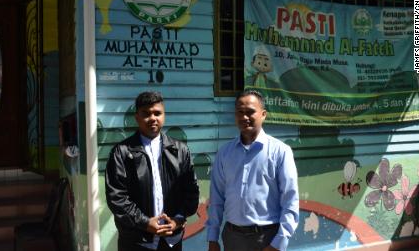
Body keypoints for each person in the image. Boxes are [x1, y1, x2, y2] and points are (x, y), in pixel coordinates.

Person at [105, 91, 200, 251]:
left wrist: (177, 220)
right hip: (136, 241)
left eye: (157, 113)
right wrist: (145, 223)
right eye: (146, 114)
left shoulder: (180, 150)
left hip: (171, 240)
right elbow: (117, 197)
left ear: (164, 115)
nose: (152, 118)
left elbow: (191, 192)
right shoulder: (121, 152)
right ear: (137, 117)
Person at [206, 90, 299, 251]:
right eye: (240, 112)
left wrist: (279, 243)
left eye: (250, 112)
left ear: (263, 114)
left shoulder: (280, 152)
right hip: (232, 238)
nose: (244, 117)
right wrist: (212, 238)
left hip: (266, 238)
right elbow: (216, 199)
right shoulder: (224, 153)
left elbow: (290, 201)